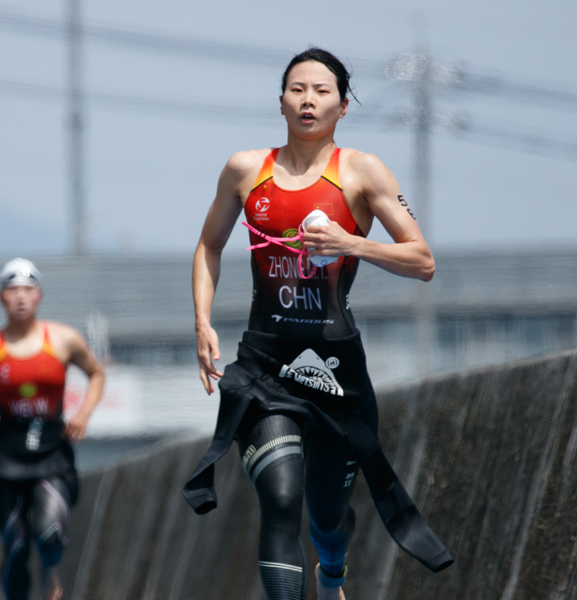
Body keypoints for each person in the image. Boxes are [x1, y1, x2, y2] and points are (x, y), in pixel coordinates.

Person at [183, 48, 452, 600]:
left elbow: (422, 261)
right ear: (280, 101)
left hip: (335, 374)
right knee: (280, 499)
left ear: (343, 106)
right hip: (265, 368)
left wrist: (351, 242)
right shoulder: (244, 169)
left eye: (323, 91)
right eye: (297, 89)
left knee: (327, 521)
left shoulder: (362, 171)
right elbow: (209, 245)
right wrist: (201, 321)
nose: (309, 100)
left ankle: (333, 572)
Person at [0, 258, 106, 600]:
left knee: (48, 533)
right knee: (15, 547)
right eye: (12, 290)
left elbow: (96, 373)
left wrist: (84, 414)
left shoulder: (63, 339)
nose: (20, 297)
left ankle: (50, 573)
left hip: (52, 453)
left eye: (28, 290)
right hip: (6, 459)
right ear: (1, 297)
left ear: (39, 295)